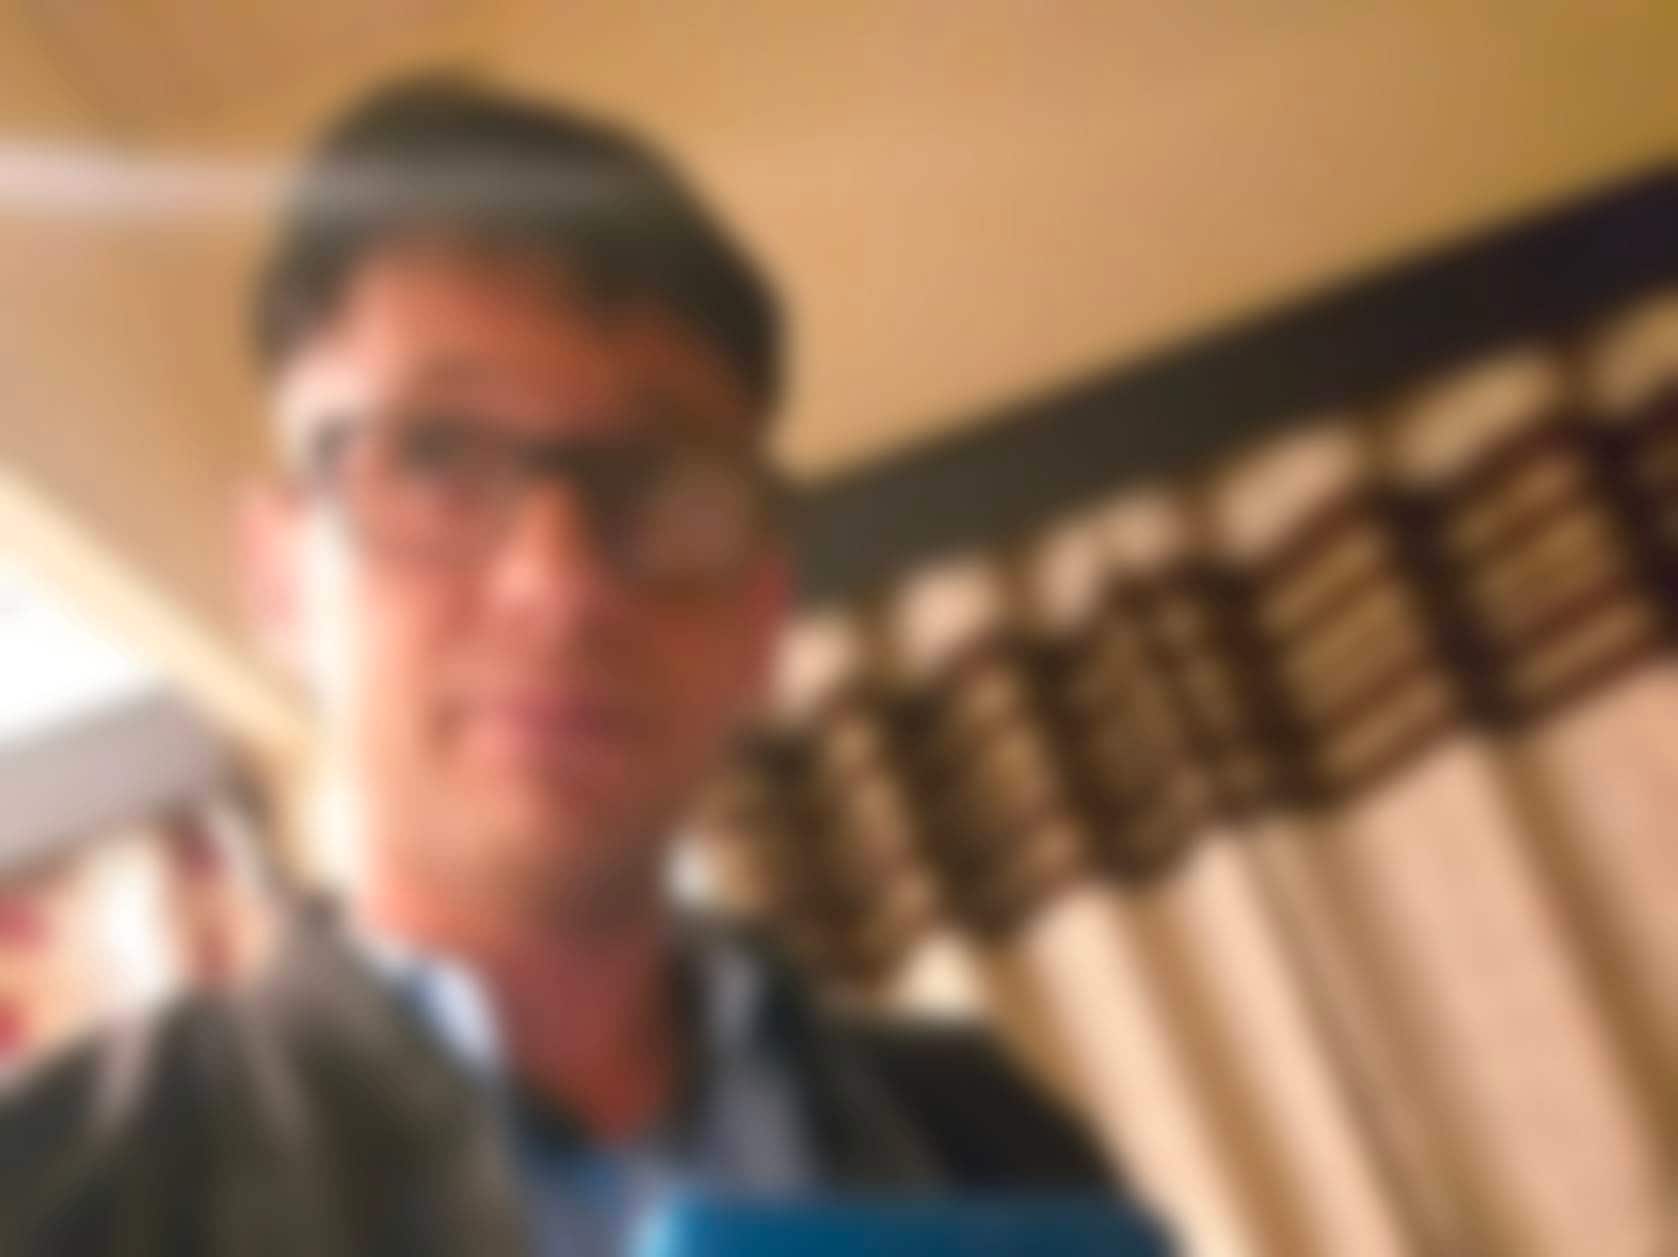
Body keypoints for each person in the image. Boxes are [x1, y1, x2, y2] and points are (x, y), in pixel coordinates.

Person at [0, 76, 1114, 1256]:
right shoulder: (54, 1200)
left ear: (759, 614)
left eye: (660, 480)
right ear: (278, 577)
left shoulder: (986, 1138)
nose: (560, 579)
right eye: (434, 456)